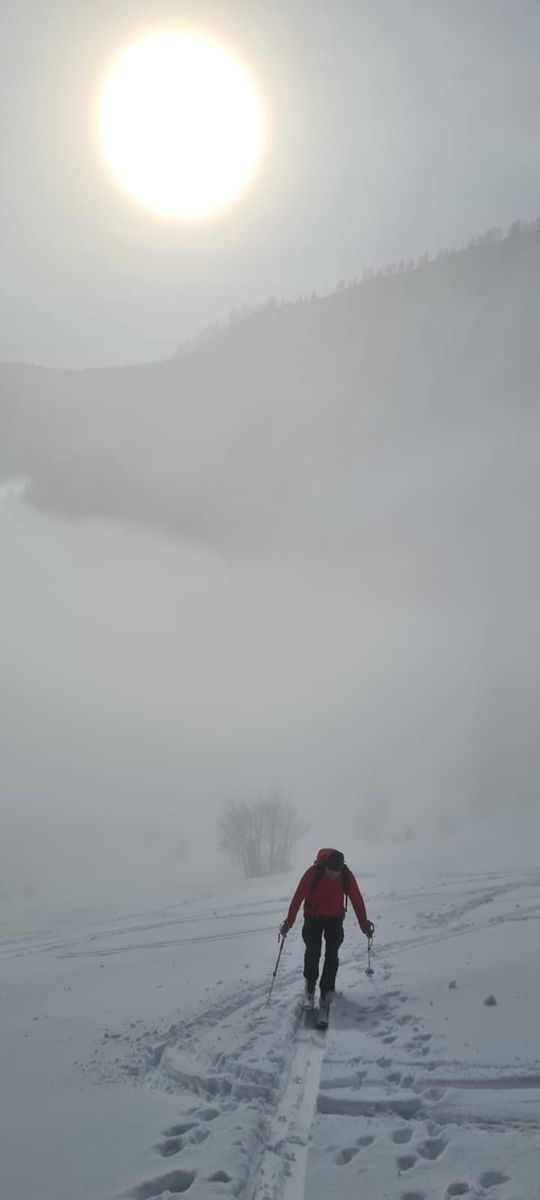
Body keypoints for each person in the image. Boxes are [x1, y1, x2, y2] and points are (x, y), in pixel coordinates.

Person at [279, 848, 374, 1009]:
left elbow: (357, 900)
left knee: (332, 954)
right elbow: (298, 897)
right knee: (312, 951)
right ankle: (309, 988)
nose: (333, 875)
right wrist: (289, 922)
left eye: (336, 872)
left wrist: (364, 925)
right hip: (313, 917)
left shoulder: (346, 876)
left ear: (341, 868)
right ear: (325, 866)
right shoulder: (313, 873)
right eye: (330, 871)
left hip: (335, 918)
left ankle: (327, 991)